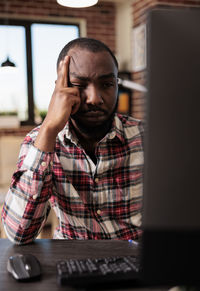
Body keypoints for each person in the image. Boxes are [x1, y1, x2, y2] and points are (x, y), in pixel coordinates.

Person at [1, 37, 144, 245]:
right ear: (60, 89)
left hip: (134, 260)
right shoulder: (38, 141)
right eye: (79, 85)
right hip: (71, 259)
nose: (94, 98)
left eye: (106, 84)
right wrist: (49, 128)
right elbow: (18, 234)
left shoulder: (144, 137)